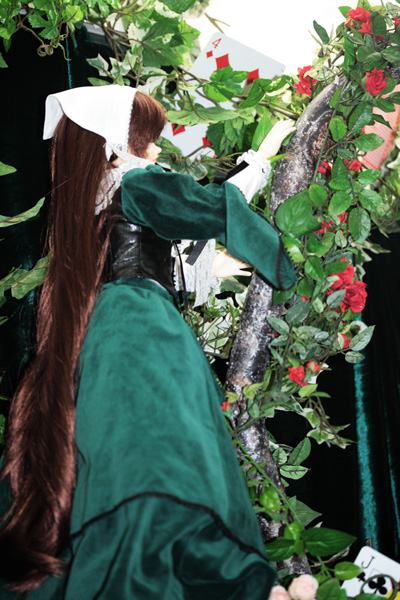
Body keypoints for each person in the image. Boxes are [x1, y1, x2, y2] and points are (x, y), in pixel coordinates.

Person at [0, 85, 296, 599]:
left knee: (132, 451)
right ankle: (173, 562)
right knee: (160, 449)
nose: (157, 150)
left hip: (107, 336)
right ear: (119, 143)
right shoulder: (136, 182)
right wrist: (283, 264)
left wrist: (218, 258)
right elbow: (209, 206)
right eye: (149, 138)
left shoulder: (90, 206)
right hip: (138, 326)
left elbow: (173, 241)